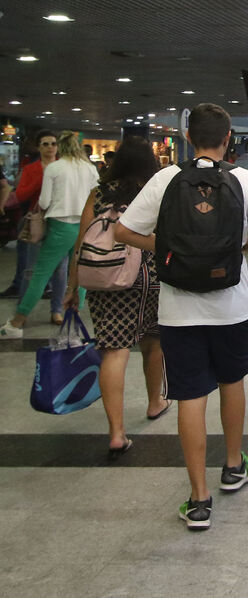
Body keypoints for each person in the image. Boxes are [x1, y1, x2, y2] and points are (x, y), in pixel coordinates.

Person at [115, 103, 248, 531]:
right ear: (229, 140)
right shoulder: (244, 179)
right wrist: (231, 251)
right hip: (232, 308)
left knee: (190, 397)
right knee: (232, 382)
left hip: (178, 311)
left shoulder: (166, 178)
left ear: (188, 137)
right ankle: (232, 466)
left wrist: (171, 252)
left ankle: (199, 499)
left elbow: (123, 231)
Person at [62, 136, 168, 457]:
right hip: (147, 277)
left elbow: (81, 243)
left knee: (114, 349)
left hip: (103, 277)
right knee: (152, 340)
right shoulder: (153, 192)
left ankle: (117, 433)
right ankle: (154, 402)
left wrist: (71, 287)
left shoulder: (98, 194)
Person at [2, 131, 99, 337]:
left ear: (60, 148)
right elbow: (96, 199)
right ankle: (74, 313)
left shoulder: (55, 168)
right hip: (84, 225)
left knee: (40, 273)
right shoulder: (90, 169)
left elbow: (44, 202)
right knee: (79, 272)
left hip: (60, 226)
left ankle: (18, 320)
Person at [2, 130, 60, 304]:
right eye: (45, 144)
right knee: (28, 260)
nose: (50, 147)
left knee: (57, 263)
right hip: (32, 218)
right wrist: (42, 178)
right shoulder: (30, 169)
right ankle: (22, 294)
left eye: (53, 144)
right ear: (39, 147)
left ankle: (51, 295)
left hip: (56, 219)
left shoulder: (63, 167)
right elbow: (21, 195)